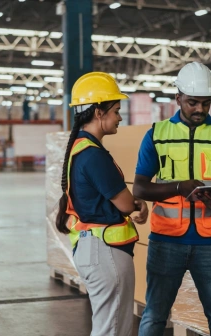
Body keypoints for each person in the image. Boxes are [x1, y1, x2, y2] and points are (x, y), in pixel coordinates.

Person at [134, 62, 211, 336]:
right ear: (178, 98)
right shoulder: (157, 135)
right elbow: (140, 189)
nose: (199, 109)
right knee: (155, 315)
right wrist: (178, 187)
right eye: (192, 102)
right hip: (166, 241)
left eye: (205, 103)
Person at [55, 72, 149, 336]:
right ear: (98, 112)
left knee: (108, 327)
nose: (120, 117)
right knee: (113, 330)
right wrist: (138, 205)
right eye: (116, 110)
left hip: (93, 248)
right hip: (105, 252)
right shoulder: (93, 156)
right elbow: (125, 203)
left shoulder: (80, 148)